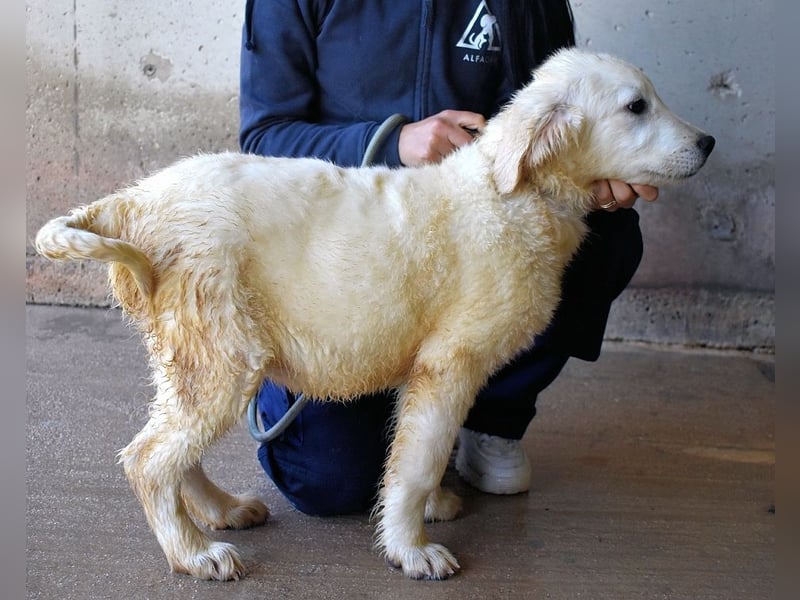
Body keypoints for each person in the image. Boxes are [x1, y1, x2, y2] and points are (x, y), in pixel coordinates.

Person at [238, 0, 657, 516]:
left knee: (608, 238)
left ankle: (492, 417)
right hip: (345, 271)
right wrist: (391, 142)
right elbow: (264, 136)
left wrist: (597, 174)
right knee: (330, 483)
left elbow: (555, 124)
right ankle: (301, 379)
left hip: (471, 247)